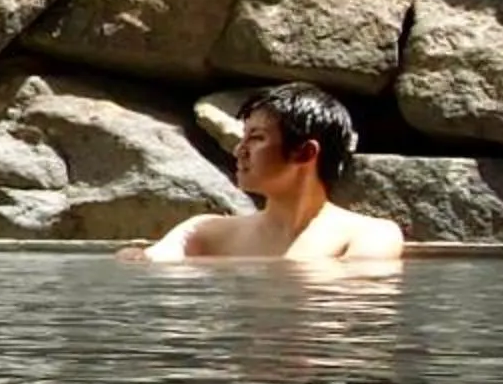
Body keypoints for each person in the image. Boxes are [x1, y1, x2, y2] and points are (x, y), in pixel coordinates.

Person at [125, 82, 403, 263]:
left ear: (305, 153)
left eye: (256, 138)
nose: (239, 150)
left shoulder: (370, 235)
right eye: (243, 137)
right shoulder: (206, 232)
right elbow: (148, 266)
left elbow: (351, 309)